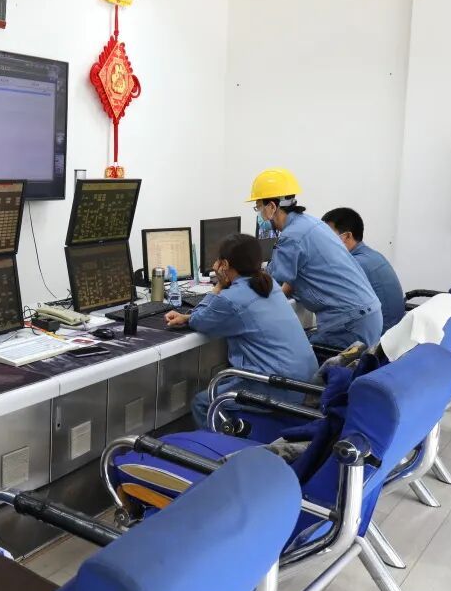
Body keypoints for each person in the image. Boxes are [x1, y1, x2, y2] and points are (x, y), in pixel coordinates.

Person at [165, 233, 317, 428]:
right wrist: (187, 317)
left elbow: (200, 321)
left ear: (225, 265)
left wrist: (219, 285)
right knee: (223, 383)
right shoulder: (269, 284)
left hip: (279, 385)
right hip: (305, 381)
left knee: (202, 403)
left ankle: (221, 445)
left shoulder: (231, 298)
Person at [248, 168, 383, 349]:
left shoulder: (292, 236)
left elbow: (268, 286)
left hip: (348, 323)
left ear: (272, 207)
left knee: (294, 356)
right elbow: (296, 276)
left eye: (259, 207)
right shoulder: (311, 223)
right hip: (365, 316)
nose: (259, 214)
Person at [322, 207, 405, 334]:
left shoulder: (356, 264)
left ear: (347, 236)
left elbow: (321, 294)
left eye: (327, 235)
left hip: (379, 337)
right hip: (393, 330)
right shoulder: (372, 255)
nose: (322, 241)